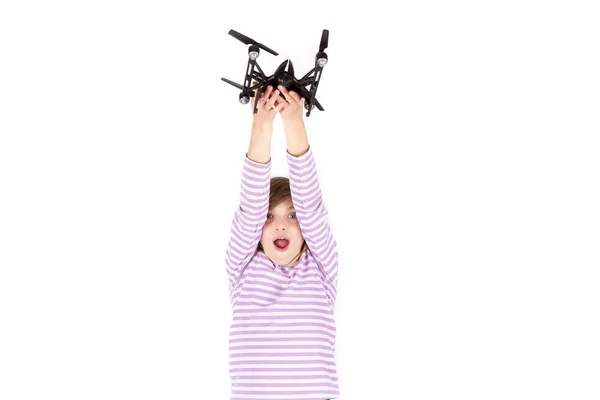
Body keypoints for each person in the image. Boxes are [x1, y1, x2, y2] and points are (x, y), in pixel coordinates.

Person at [224, 83, 340, 400]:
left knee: (294, 210)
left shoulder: (321, 266)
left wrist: (293, 122)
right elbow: (250, 209)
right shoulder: (242, 266)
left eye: (292, 216)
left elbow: (311, 207)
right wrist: (262, 123)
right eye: (269, 216)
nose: (280, 227)